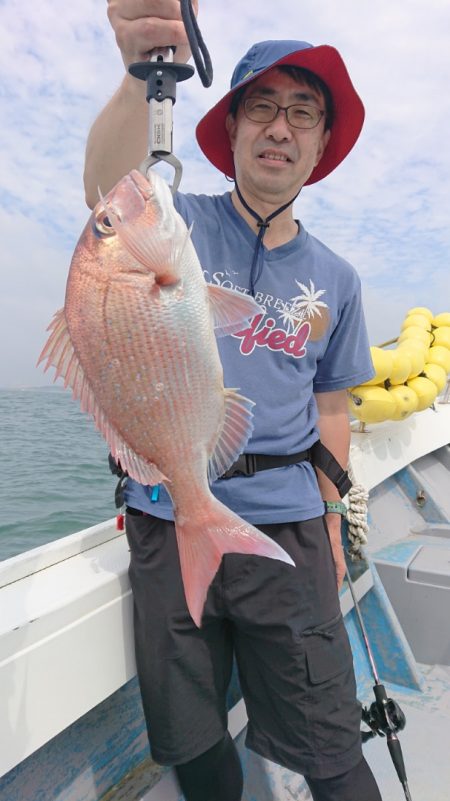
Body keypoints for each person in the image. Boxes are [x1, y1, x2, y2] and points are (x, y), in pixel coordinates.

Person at [84, 4, 382, 800]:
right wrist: (138, 67)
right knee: (191, 737)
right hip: (166, 514)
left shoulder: (341, 280)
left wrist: (331, 516)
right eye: (261, 105)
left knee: (332, 748)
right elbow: (105, 197)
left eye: (302, 112)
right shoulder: (171, 227)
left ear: (320, 145)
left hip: (285, 526)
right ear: (233, 128)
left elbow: (330, 409)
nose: (280, 127)